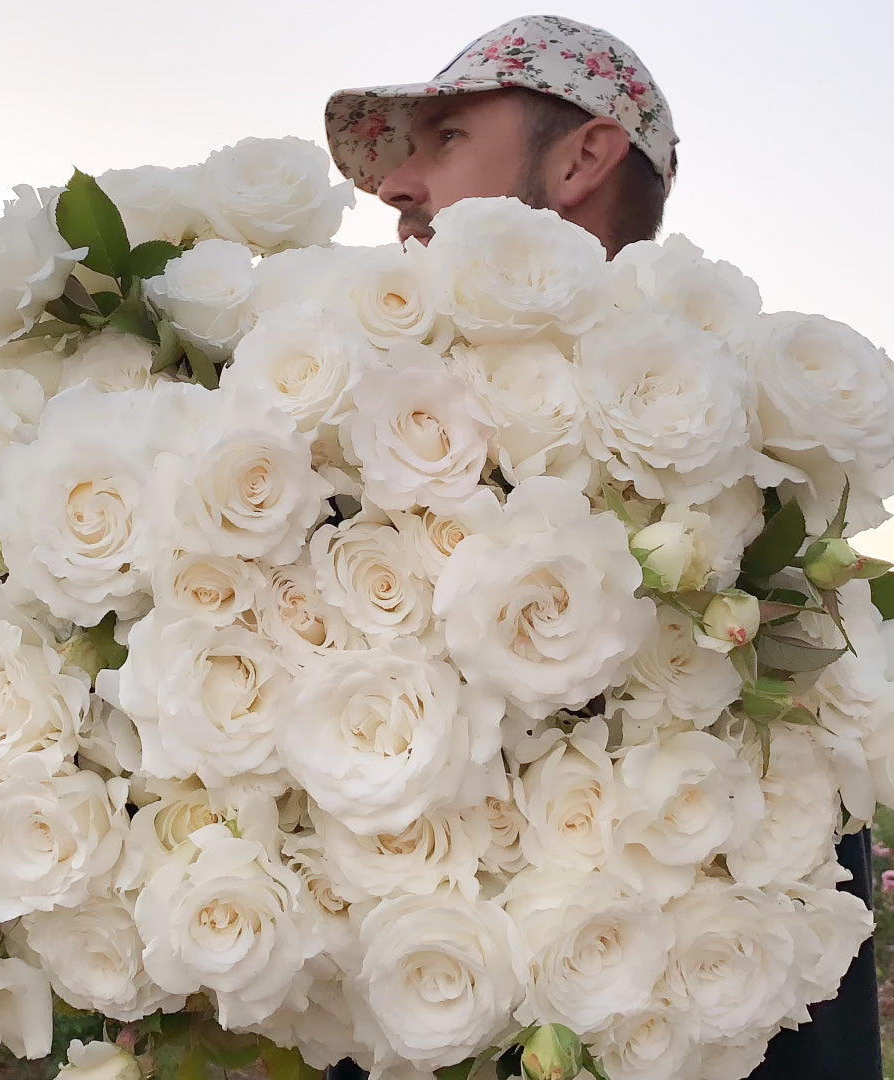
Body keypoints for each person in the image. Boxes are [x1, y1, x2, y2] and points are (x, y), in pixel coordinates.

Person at [323, 15, 882, 1080]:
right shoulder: (361, 462)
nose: (398, 186)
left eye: (443, 139)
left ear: (582, 156)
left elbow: (809, 986)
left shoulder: (756, 511)